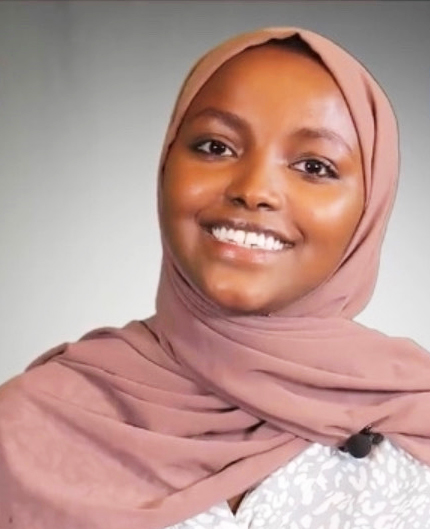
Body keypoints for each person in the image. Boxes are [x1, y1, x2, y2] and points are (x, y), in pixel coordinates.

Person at [1, 26, 430, 529]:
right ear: (166, 167)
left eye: (314, 166)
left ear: (370, 205)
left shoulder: (414, 420)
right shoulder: (24, 427)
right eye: (215, 147)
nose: (254, 190)